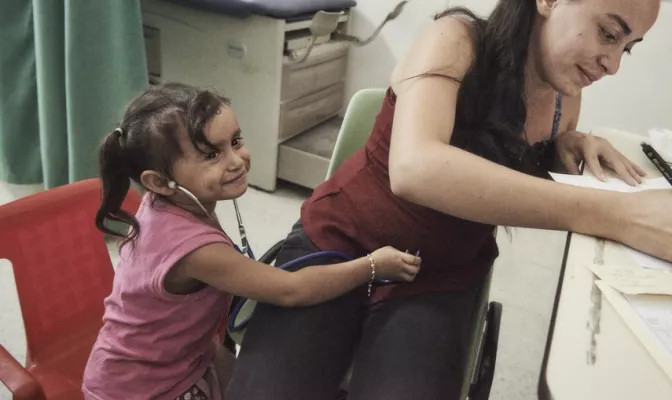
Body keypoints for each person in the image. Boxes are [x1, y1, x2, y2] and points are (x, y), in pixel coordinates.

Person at [226, 0, 672, 398]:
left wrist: (565, 146)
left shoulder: (563, 101)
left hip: (434, 275)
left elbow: (506, 158)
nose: (613, 64)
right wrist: (620, 216)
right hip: (340, 243)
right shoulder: (455, 37)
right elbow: (417, 169)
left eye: (627, 47)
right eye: (608, 33)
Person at [81, 83, 421, 400]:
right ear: (159, 181)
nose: (236, 161)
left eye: (236, 141)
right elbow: (293, 289)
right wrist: (374, 265)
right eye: (211, 156)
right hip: (142, 389)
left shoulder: (167, 203)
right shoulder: (195, 250)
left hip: (177, 356)